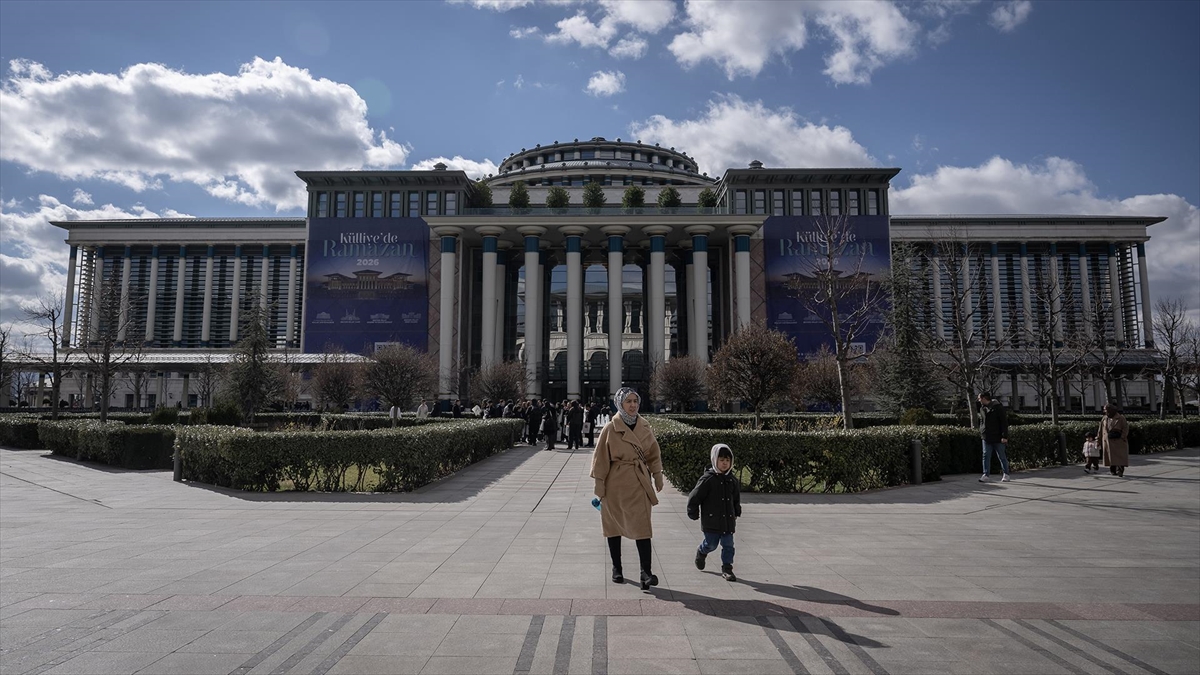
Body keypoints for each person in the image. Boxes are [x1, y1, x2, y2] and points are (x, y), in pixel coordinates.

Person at [591, 387, 665, 590]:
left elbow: (653, 454)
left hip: (639, 482)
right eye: (628, 401)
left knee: (643, 527)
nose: (633, 405)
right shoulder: (610, 428)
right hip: (615, 483)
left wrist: (657, 475)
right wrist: (599, 485)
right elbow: (600, 459)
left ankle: (646, 573)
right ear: (620, 404)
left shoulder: (645, 426)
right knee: (613, 525)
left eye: (635, 401)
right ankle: (617, 567)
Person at [687, 443, 741, 582]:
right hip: (711, 520)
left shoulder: (732, 480)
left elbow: (735, 498)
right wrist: (692, 510)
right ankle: (702, 551)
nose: (725, 463)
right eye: (721, 460)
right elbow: (695, 495)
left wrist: (736, 510)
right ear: (714, 459)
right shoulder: (708, 479)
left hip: (728, 520)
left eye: (727, 460)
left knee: (728, 544)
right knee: (711, 544)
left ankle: (727, 568)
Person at [977, 392, 1010, 483]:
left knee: (1001, 456)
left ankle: (1006, 474)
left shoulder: (998, 408)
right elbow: (982, 421)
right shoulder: (982, 409)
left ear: (984, 398)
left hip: (997, 436)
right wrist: (982, 430)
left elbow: (1004, 422)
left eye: (979, 398)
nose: (979, 400)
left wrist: (1004, 436)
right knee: (986, 455)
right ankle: (986, 474)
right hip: (986, 436)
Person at [1099, 403, 1130, 477]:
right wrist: (1098, 439)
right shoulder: (1104, 418)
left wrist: (1122, 437)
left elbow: (1125, 428)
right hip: (1108, 440)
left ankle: (1120, 470)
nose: (1104, 411)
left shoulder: (1121, 418)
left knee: (1119, 457)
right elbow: (1100, 430)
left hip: (1118, 440)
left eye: (1105, 409)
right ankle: (1113, 470)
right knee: (1110, 457)